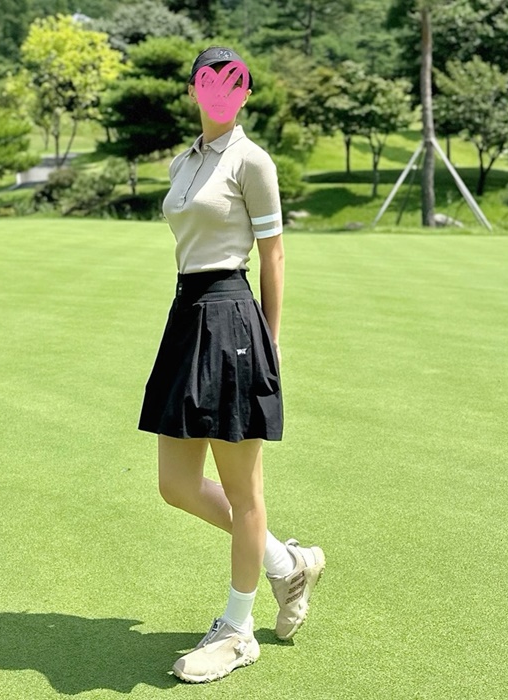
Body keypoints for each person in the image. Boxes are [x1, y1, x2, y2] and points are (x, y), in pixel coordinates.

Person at [138, 46, 325, 684]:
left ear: (243, 91)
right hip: (187, 315)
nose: (220, 91)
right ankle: (287, 563)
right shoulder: (183, 161)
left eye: (232, 82)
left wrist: (270, 339)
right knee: (175, 484)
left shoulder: (252, 160)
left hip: (232, 319)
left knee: (245, 494)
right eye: (208, 80)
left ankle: (238, 630)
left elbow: (274, 254)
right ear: (195, 88)